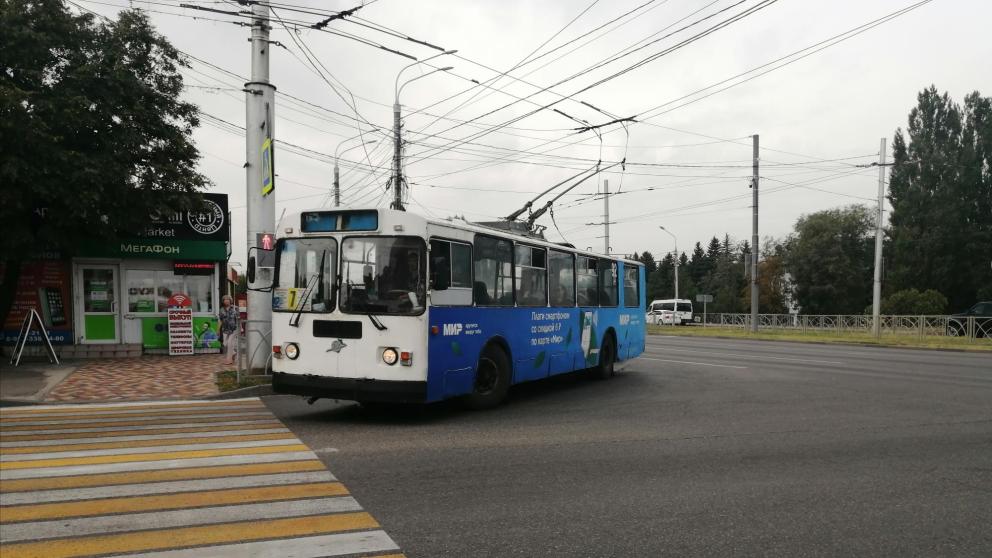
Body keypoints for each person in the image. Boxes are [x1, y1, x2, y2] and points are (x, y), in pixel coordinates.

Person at [220, 295, 239, 365]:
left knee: (230, 343)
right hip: (225, 329)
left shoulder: (235, 308)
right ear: (223, 301)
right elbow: (221, 320)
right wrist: (217, 330)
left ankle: (229, 359)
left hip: (234, 328)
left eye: (228, 299)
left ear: (230, 300)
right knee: (225, 343)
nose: (226, 300)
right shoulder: (221, 309)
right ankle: (233, 353)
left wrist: (241, 328)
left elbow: (238, 318)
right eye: (225, 299)